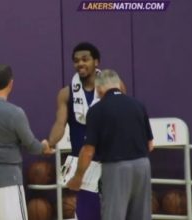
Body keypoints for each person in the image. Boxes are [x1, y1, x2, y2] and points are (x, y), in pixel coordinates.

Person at [0, 64, 55, 220]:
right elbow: (31, 145)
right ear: (11, 83)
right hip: (8, 180)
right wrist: (44, 148)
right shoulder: (15, 113)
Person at [48, 42, 125, 220]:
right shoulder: (66, 93)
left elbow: (122, 117)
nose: (80, 64)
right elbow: (60, 124)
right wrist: (49, 143)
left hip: (110, 160)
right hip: (84, 163)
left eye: (85, 59)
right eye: (76, 61)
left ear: (96, 62)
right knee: (87, 214)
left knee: (114, 213)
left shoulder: (115, 87)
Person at [67, 69, 154, 220]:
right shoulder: (138, 105)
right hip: (143, 166)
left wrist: (78, 177)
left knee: (114, 215)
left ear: (99, 89)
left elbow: (88, 150)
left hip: (116, 167)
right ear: (119, 85)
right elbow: (150, 145)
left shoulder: (96, 110)